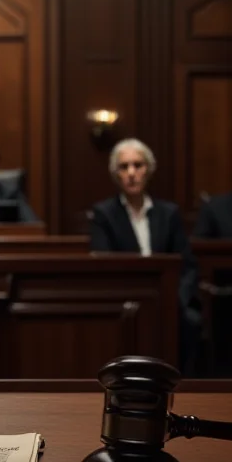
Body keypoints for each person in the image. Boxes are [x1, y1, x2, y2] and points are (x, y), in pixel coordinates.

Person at [89, 138, 201, 374]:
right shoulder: (104, 214)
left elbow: (187, 265)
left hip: (170, 303)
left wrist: (176, 300)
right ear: (115, 174)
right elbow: (103, 267)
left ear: (148, 170)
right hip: (127, 305)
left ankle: (186, 389)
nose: (131, 173)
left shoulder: (168, 213)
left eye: (137, 165)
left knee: (192, 322)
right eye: (124, 166)